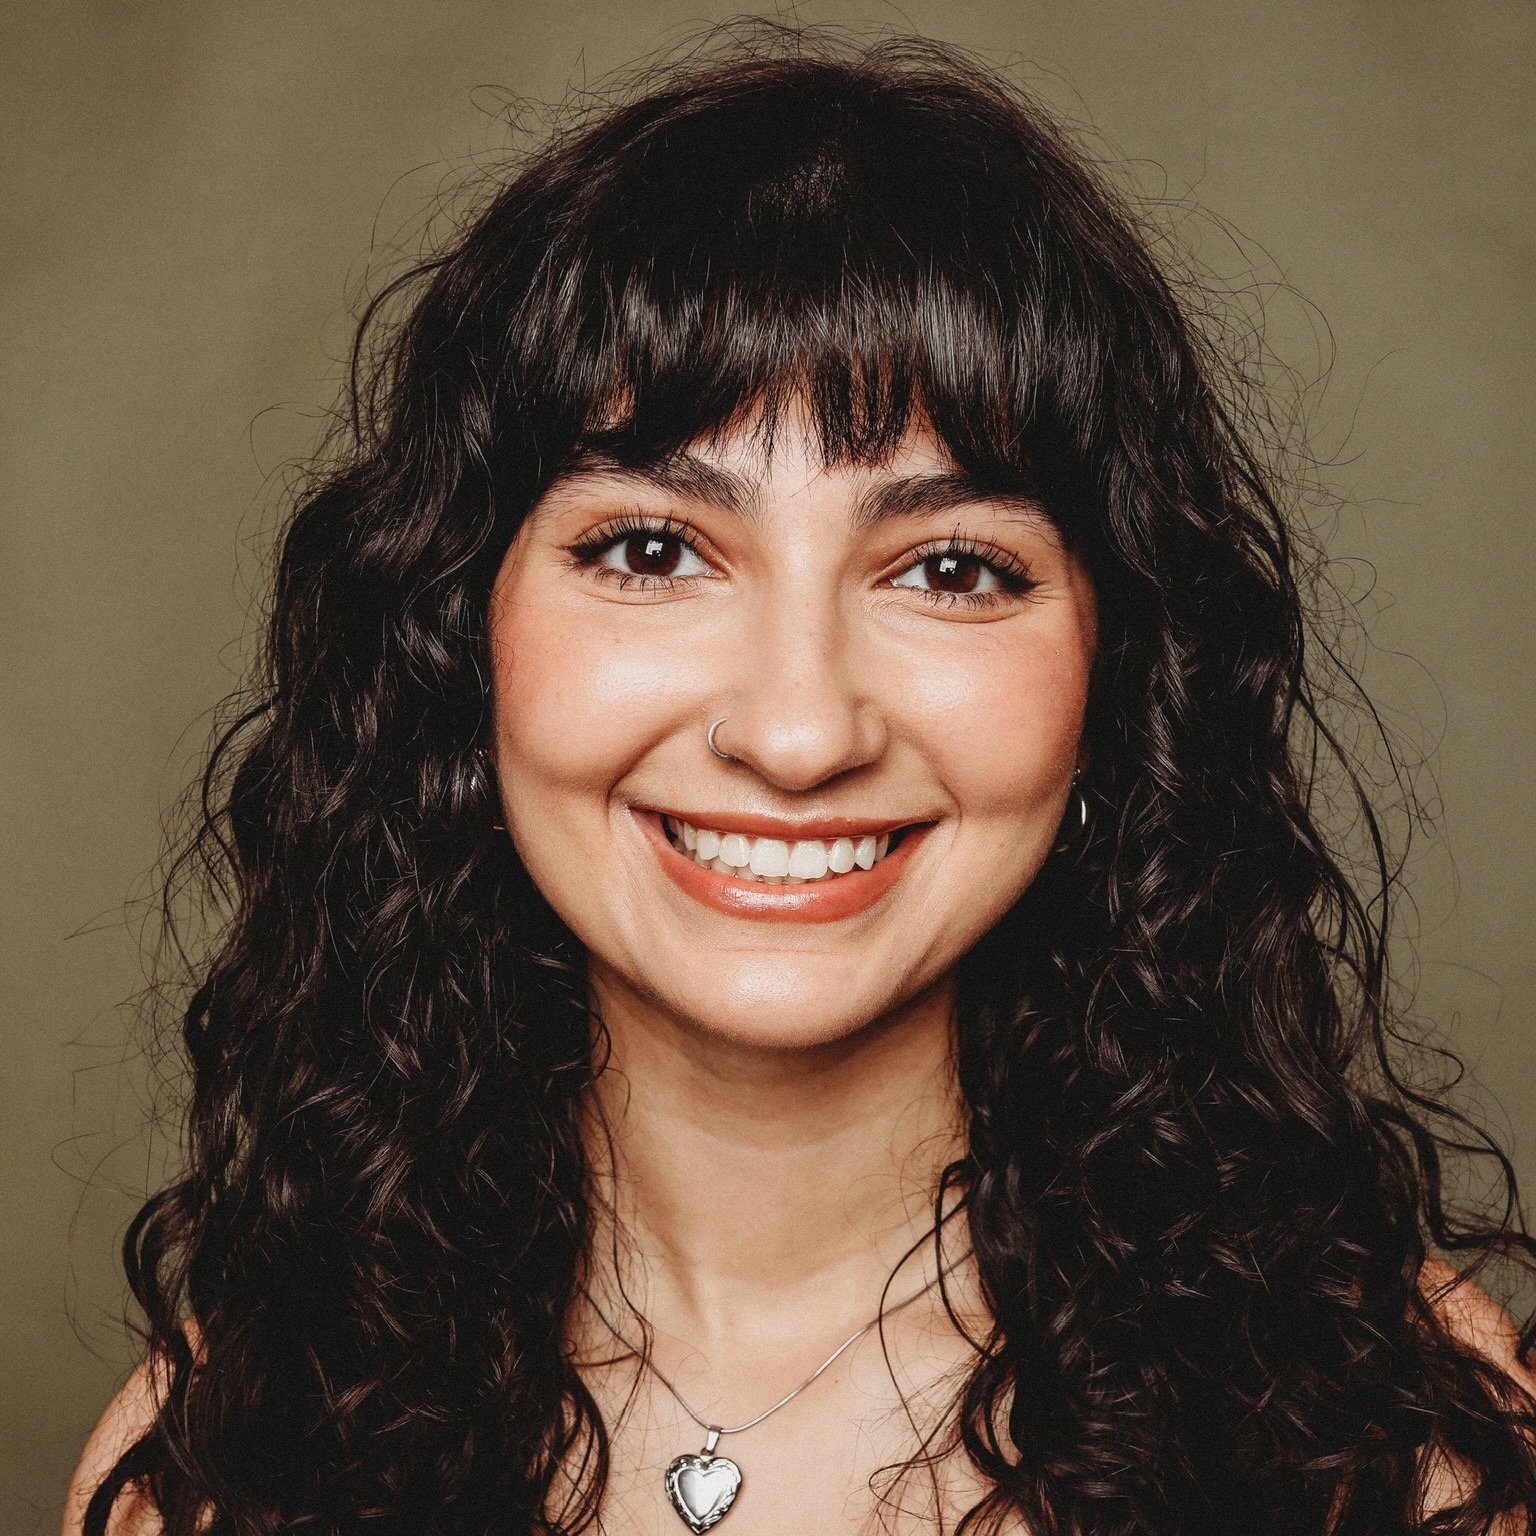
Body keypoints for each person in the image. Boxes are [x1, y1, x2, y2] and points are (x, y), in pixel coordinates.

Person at [63, 29, 1536, 1536]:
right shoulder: (216, 1458)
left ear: (1116, 684)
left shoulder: (1389, 1443)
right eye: (652, 550)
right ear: (463, 641)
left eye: (953, 568)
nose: (797, 731)